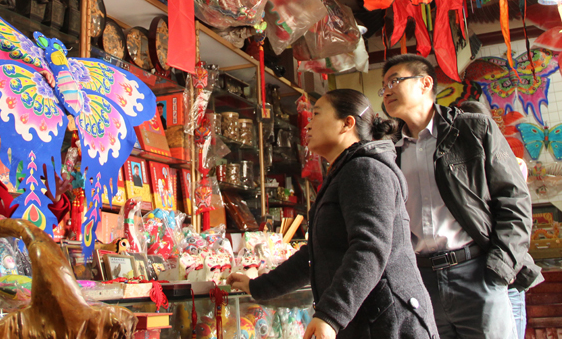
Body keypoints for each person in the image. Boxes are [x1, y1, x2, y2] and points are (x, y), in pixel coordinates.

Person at [228, 88, 438, 339]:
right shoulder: (345, 172)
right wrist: (258, 286)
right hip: (368, 321)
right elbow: (314, 253)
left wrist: (331, 314)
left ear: (347, 123)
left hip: (388, 324)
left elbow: (369, 248)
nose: (307, 125)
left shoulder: (366, 169)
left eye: (316, 114)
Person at [381, 54, 538, 339]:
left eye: (394, 81)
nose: (387, 91)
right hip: (421, 280)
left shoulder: (472, 130)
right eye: (383, 87)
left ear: (425, 83)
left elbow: (514, 199)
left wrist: (500, 267)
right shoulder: (389, 153)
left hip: (476, 272)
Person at [458, 100, 541, 339]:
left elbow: (513, 213)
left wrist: (500, 268)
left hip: (502, 267)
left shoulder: (511, 163)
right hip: (490, 267)